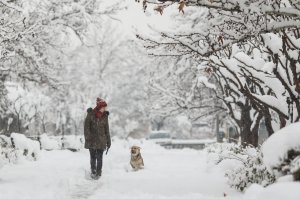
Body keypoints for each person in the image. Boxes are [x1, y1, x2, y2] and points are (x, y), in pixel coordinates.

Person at [84, 98, 111, 179]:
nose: (104, 109)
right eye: (103, 107)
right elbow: (86, 128)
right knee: (93, 157)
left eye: (105, 108)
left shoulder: (105, 116)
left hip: (101, 140)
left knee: (100, 157)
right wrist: (88, 137)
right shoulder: (90, 114)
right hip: (92, 140)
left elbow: (107, 130)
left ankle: (99, 173)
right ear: (99, 107)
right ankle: (93, 171)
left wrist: (108, 141)